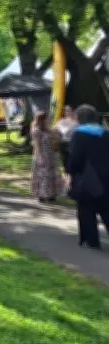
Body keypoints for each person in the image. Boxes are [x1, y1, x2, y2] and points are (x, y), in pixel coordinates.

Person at [65, 105, 109, 249]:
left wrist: (70, 174)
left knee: (86, 210)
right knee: (106, 209)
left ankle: (92, 241)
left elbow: (75, 158)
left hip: (86, 178)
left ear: (79, 118)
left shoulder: (79, 134)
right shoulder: (105, 133)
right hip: (106, 177)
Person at [30, 111, 64, 204]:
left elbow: (55, 139)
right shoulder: (36, 131)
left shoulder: (47, 129)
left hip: (50, 155)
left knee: (51, 174)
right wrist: (39, 157)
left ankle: (52, 194)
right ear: (42, 119)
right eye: (46, 119)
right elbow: (36, 146)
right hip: (42, 155)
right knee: (43, 175)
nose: (48, 120)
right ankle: (42, 195)